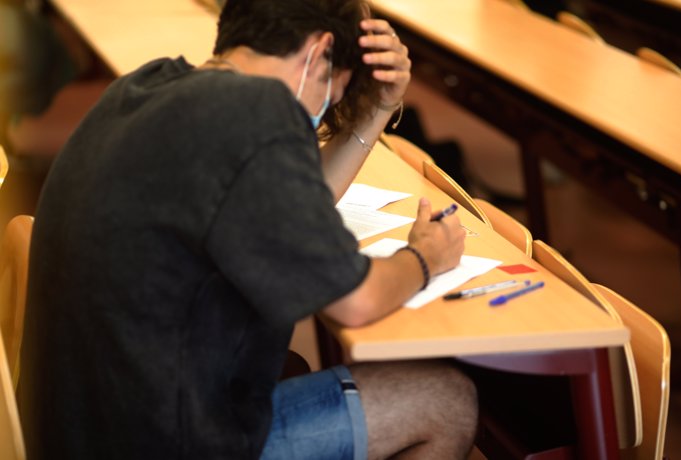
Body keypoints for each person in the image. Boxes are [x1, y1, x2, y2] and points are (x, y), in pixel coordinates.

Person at [19, 0, 478, 458]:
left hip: (76, 430)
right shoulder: (257, 113)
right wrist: (424, 257)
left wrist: (376, 108)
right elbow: (355, 302)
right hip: (164, 442)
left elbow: (295, 201)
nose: (324, 110)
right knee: (446, 401)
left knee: (288, 367)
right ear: (319, 53)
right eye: (333, 93)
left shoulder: (148, 86)